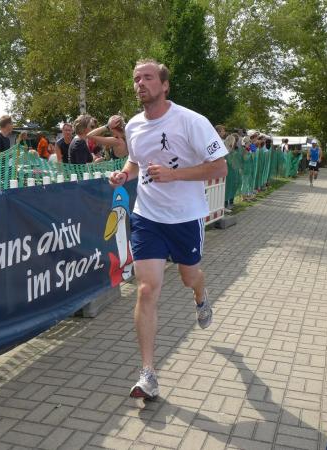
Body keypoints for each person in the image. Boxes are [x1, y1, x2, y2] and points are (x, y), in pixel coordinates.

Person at [108, 59, 227, 400]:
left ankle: (201, 296)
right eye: (136, 79)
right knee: (146, 290)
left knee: (189, 277)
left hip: (186, 218)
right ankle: (148, 374)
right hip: (148, 218)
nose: (140, 83)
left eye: (147, 77)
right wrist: (124, 174)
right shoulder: (133, 125)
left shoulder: (191, 121)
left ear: (164, 85)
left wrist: (175, 175)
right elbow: (135, 161)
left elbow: (220, 168)